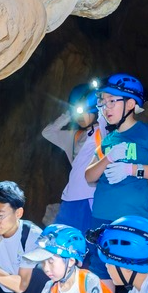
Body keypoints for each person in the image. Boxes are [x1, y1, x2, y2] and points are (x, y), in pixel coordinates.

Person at [84, 74, 148, 287]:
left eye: (112, 101)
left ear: (130, 104)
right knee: (101, 272)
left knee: (136, 275)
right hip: (101, 217)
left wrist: (132, 169)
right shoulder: (108, 140)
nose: (106, 108)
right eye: (104, 102)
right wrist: (108, 158)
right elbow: (89, 176)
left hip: (134, 218)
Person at [42, 84, 105, 234]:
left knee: (87, 240)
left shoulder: (104, 133)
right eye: (78, 112)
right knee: (62, 240)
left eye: (85, 111)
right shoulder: (74, 136)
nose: (80, 116)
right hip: (70, 197)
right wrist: (69, 114)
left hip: (91, 198)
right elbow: (48, 132)